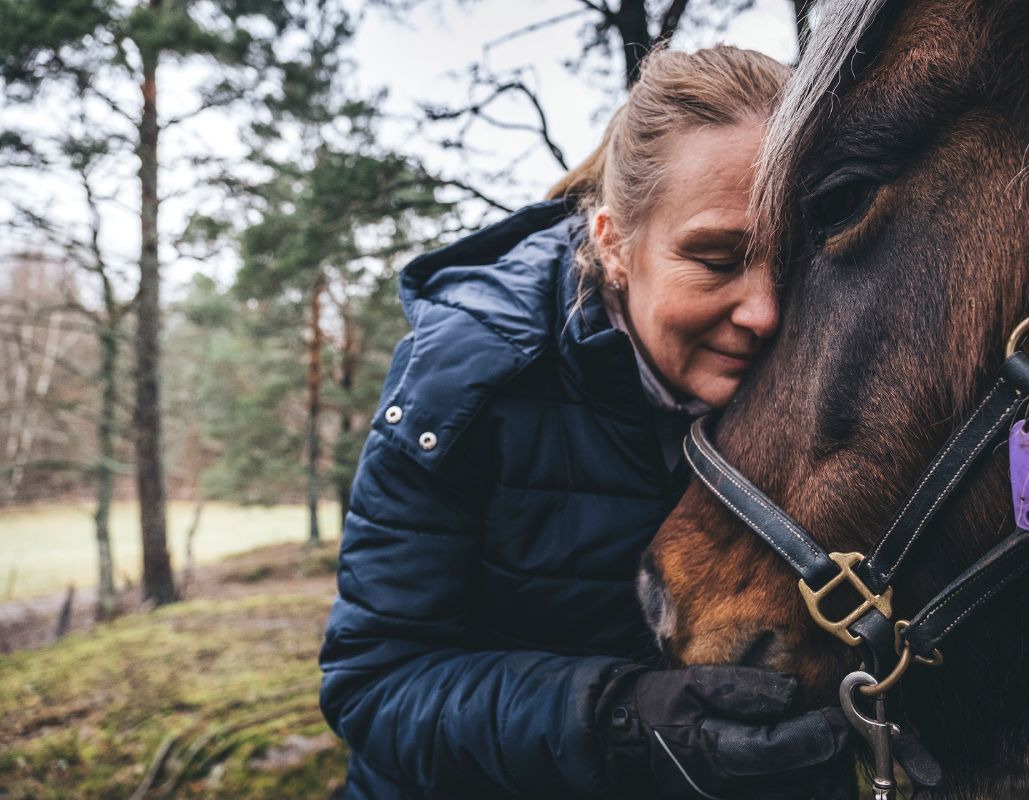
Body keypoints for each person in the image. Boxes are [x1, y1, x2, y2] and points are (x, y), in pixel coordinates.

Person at [319, 46, 852, 799]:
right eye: (715, 258)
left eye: (790, 260)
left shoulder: (831, 363)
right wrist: (616, 721)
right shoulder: (469, 377)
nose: (765, 312)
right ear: (613, 245)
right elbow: (374, 686)